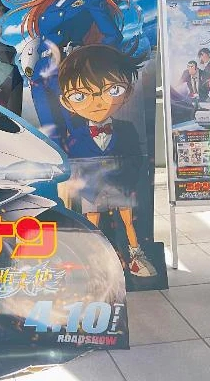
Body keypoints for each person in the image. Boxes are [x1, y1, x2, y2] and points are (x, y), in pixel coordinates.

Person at [1, 0, 125, 141]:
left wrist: (88, 63)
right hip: (41, 74)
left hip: (69, 72)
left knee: (78, 130)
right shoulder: (51, 2)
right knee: (51, 133)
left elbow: (113, 36)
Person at [58, 44, 156, 278]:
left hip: (120, 186)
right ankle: (95, 261)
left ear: (127, 92)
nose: (98, 102)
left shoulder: (126, 128)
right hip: (91, 191)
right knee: (92, 225)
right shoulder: (75, 136)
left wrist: (127, 182)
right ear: (67, 102)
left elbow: (136, 159)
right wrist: (82, 186)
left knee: (129, 222)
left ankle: (136, 256)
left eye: (112, 90)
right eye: (81, 96)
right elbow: (71, 166)